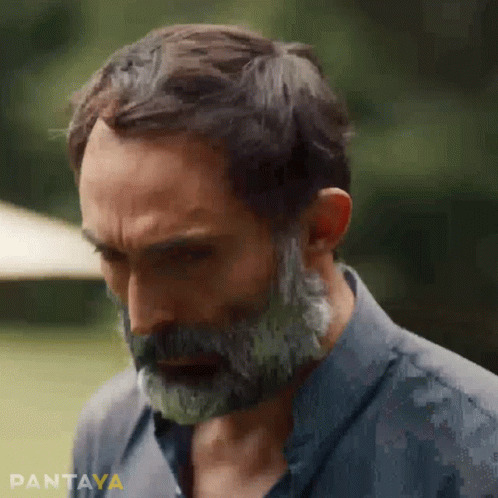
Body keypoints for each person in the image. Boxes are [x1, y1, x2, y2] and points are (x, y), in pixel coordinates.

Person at [67, 24, 498, 498]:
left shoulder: (477, 458)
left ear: (318, 228)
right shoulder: (111, 434)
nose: (144, 318)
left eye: (185, 258)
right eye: (112, 256)